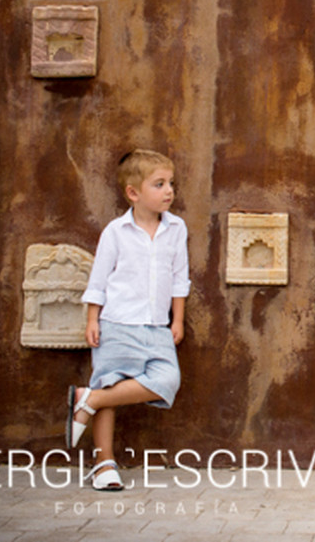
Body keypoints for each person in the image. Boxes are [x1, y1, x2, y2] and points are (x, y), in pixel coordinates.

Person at [66, 149, 190, 491]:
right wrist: (93, 319)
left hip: (157, 327)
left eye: (171, 183)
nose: (169, 191)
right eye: (159, 184)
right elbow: (99, 279)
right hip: (117, 324)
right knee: (109, 382)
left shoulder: (176, 229)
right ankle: (103, 464)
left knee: (168, 380)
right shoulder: (116, 232)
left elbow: (180, 278)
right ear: (133, 193)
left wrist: (177, 320)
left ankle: (88, 400)